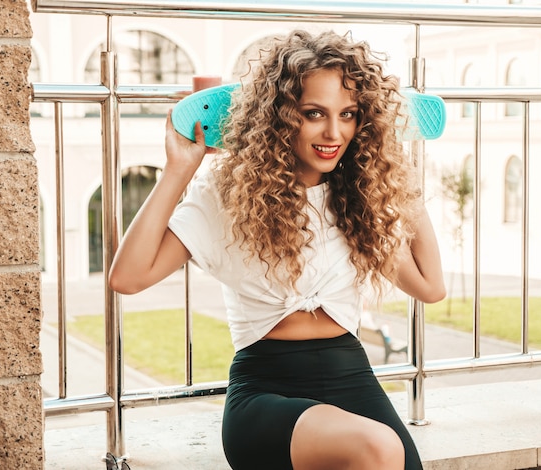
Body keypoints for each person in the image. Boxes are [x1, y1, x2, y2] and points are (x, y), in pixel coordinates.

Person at [109, 29, 445, 470]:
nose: (333, 132)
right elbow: (127, 277)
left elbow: (430, 286)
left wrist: (397, 175)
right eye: (313, 113)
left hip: (352, 375)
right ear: (282, 116)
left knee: (394, 457)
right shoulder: (226, 196)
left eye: (348, 114)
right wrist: (178, 171)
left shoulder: (357, 200)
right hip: (267, 391)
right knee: (380, 449)